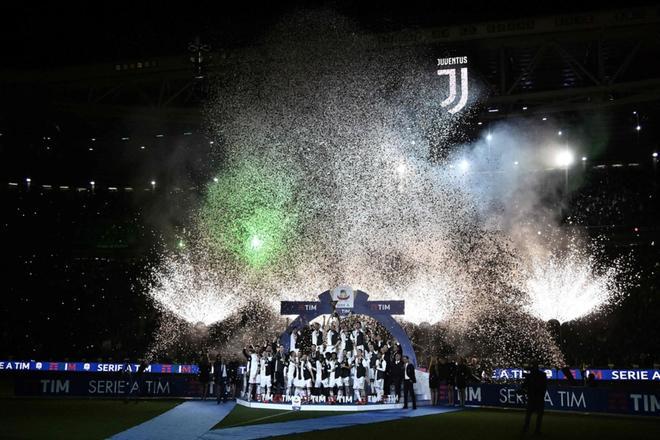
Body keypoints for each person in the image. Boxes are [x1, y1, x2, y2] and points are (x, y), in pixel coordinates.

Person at [521, 362, 548, 435]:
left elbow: (524, 386)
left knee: (529, 414)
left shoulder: (530, 375)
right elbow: (545, 386)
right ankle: (537, 430)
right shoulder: (542, 375)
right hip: (538, 398)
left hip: (532, 397)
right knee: (539, 415)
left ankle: (526, 428)